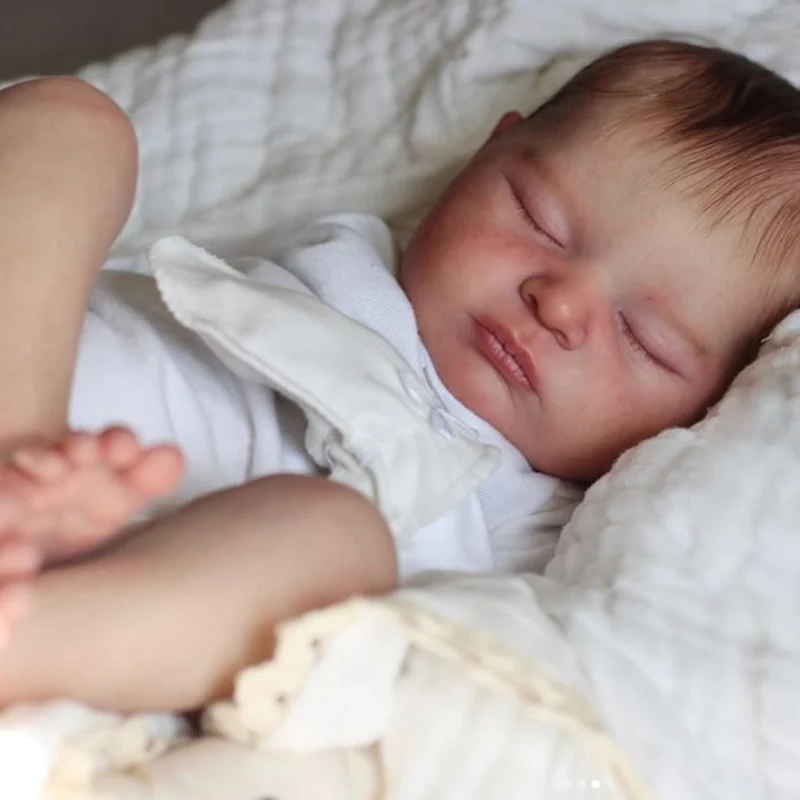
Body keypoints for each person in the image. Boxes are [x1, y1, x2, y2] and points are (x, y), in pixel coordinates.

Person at [0, 38, 798, 712]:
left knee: (337, 541)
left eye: (642, 339)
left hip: (129, 600)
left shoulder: (539, 533)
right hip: (35, 371)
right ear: (486, 154)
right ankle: (20, 457)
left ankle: (25, 640)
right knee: (76, 125)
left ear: (711, 407)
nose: (559, 303)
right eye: (538, 218)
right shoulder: (335, 268)